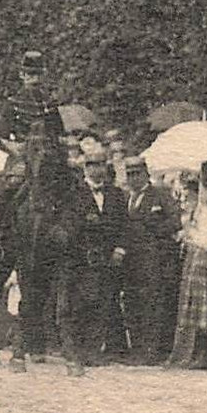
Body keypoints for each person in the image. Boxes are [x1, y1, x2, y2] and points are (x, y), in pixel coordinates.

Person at [63, 143, 127, 373]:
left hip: (110, 258)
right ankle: (78, 350)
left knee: (105, 302)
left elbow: (123, 225)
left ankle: (94, 349)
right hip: (83, 259)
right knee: (82, 303)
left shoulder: (116, 194)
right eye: (91, 166)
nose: (96, 170)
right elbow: (71, 226)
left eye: (100, 165)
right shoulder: (74, 195)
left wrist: (120, 249)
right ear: (84, 169)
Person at [118, 155, 180, 364]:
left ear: (146, 174)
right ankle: (137, 348)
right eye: (129, 174)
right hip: (132, 262)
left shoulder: (160, 195)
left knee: (152, 305)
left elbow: (175, 221)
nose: (133, 179)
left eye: (136, 174)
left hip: (155, 261)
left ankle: (152, 351)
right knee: (133, 303)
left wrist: (153, 232)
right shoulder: (126, 197)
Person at [170, 167, 207, 369]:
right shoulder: (201, 210)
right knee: (196, 308)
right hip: (196, 259)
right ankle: (200, 352)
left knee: (205, 310)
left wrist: (189, 232)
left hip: (206, 260)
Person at [0, 50, 65, 157]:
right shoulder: (13, 103)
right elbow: (1, 137)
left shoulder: (49, 104)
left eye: (38, 74)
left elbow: (59, 132)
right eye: (30, 74)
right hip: (24, 155)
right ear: (22, 75)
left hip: (49, 156)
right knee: (16, 172)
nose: (35, 79)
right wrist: (13, 147)